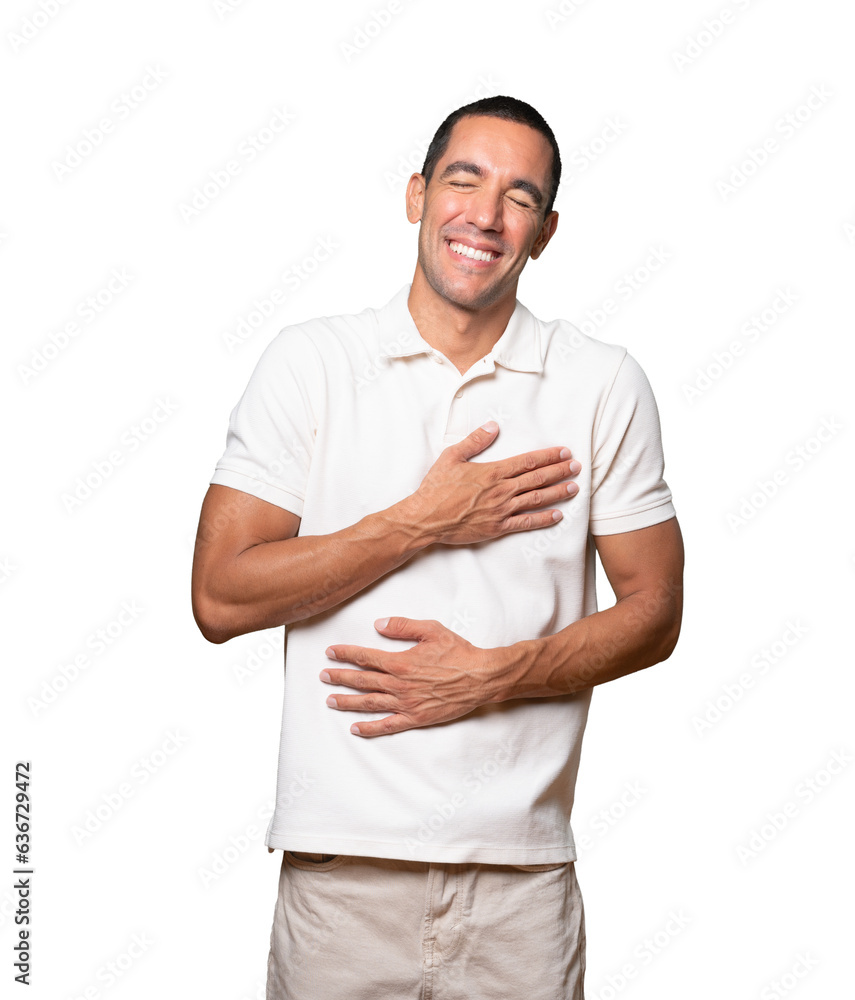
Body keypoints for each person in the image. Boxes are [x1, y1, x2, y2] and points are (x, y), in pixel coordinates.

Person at [191, 94, 684, 1000]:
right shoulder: (311, 364)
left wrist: (492, 675)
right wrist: (424, 520)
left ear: (545, 232)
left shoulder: (601, 383)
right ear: (417, 194)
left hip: (520, 888)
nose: (486, 216)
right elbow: (220, 600)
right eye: (464, 180)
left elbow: (654, 615)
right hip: (342, 877)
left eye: (519, 197)